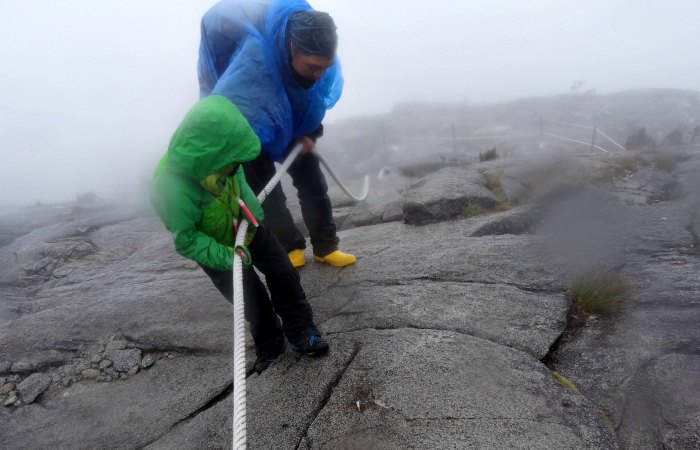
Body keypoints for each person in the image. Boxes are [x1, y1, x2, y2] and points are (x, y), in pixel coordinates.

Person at [151, 94, 328, 373]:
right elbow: (186, 239)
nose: (237, 165)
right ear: (212, 156)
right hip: (216, 249)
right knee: (249, 296)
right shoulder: (172, 189)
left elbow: (240, 185)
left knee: (283, 272)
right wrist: (228, 256)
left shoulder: (226, 159)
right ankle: (270, 345)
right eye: (232, 161)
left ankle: (301, 329)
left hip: (247, 226)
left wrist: (255, 217)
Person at [198, 0, 356, 269]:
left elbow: (313, 98)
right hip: (250, 131)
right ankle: (291, 246)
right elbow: (232, 107)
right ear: (292, 48)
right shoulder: (254, 62)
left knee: (313, 184)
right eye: (311, 66)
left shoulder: (317, 62)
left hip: (294, 127)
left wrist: (311, 132)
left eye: (324, 67)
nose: (319, 74)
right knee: (268, 194)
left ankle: (326, 246)